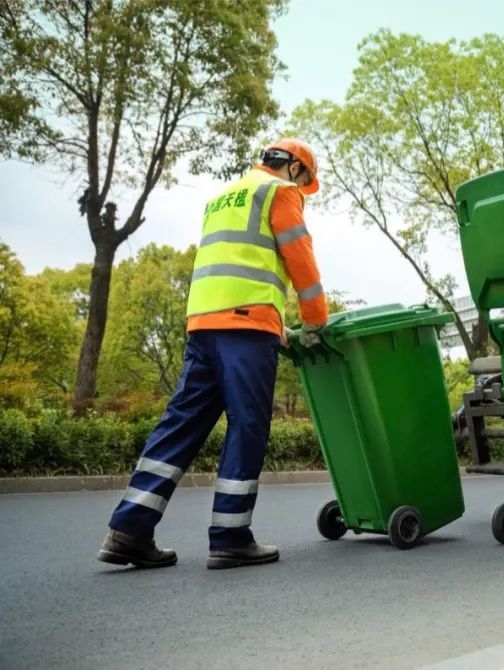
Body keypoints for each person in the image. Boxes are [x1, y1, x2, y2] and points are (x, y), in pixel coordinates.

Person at [97, 138, 330, 570]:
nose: (305, 190)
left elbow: (234, 262)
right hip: (246, 328)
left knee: (181, 424)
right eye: (306, 179)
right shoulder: (279, 192)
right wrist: (315, 321)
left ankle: (129, 529)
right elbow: (301, 260)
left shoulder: (223, 197)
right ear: (294, 168)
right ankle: (231, 536)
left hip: (203, 324)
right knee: (248, 425)